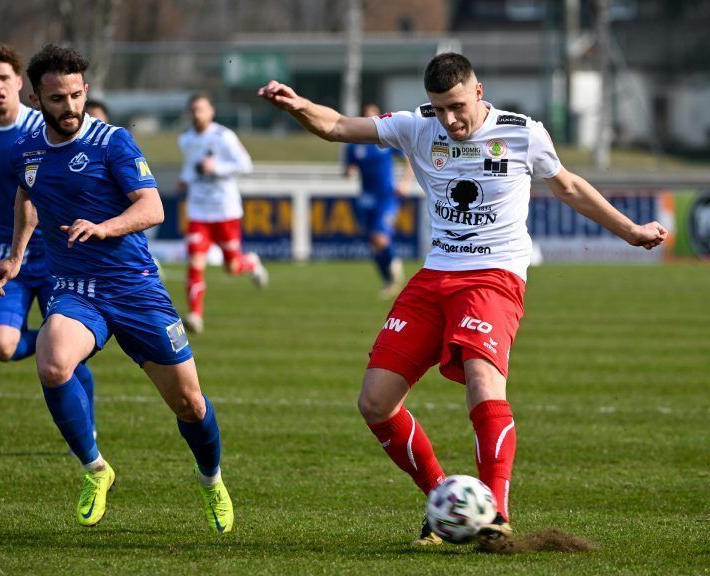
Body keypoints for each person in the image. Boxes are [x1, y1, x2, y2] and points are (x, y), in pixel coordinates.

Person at [259, 52, 667, 551]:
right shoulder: (417, 126)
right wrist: (298, 105)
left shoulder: (523, 132)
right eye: (440, 108)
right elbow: (340, 127)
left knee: (481, 381)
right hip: (434, 278)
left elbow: (570, 186)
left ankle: (495, 514)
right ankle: (446, 502)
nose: (450, 120)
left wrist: (630, 231)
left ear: (478, 91)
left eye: (457, 106)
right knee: (375, 402)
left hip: (494, 278)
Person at [0, 44, 233, 532]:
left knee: (189, 402)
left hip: (136, 288)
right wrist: (16, 256)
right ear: (37, 99)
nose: (71, 107)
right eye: (58, 98)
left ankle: (212, 480)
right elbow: (27, 197)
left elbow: (152, 208)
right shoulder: (26, 151)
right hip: (75, 288)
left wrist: (106, 227)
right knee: (54, 363)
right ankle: (96, 470)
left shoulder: (112, 142)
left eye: (78, 95)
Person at [0, 43, 97, 445]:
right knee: (0, 345)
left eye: (5, 77)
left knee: (70, 356)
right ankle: (55, 342)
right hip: (7, 257)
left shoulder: (46, 127)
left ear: (21, 83)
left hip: (57, 255)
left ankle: (86, 429)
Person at [177, 93, 268, 334]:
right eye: (194, 110)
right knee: (195, 262)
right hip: (198, 210)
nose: (197, 114)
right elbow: (189, 167)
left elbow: (245, 164)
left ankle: (252, 263)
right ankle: (195, 314)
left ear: (211, 111)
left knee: (232, 266)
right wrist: (184, 180)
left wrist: (215, 168)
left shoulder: (224, 136)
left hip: (225, 210)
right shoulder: (185, 139)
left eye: (202, 109)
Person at [343, 103, 413, 299]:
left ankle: (393, 264)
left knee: (380, 237)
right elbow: (349, 168)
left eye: (373, 116)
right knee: (374, 243)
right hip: (366, 197)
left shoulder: (387, 140)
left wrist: (405, 182)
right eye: (366, 116)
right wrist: (349, 172)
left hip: (387, 195)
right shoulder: (355, 145)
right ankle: (388, 280)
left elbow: (408, 159)